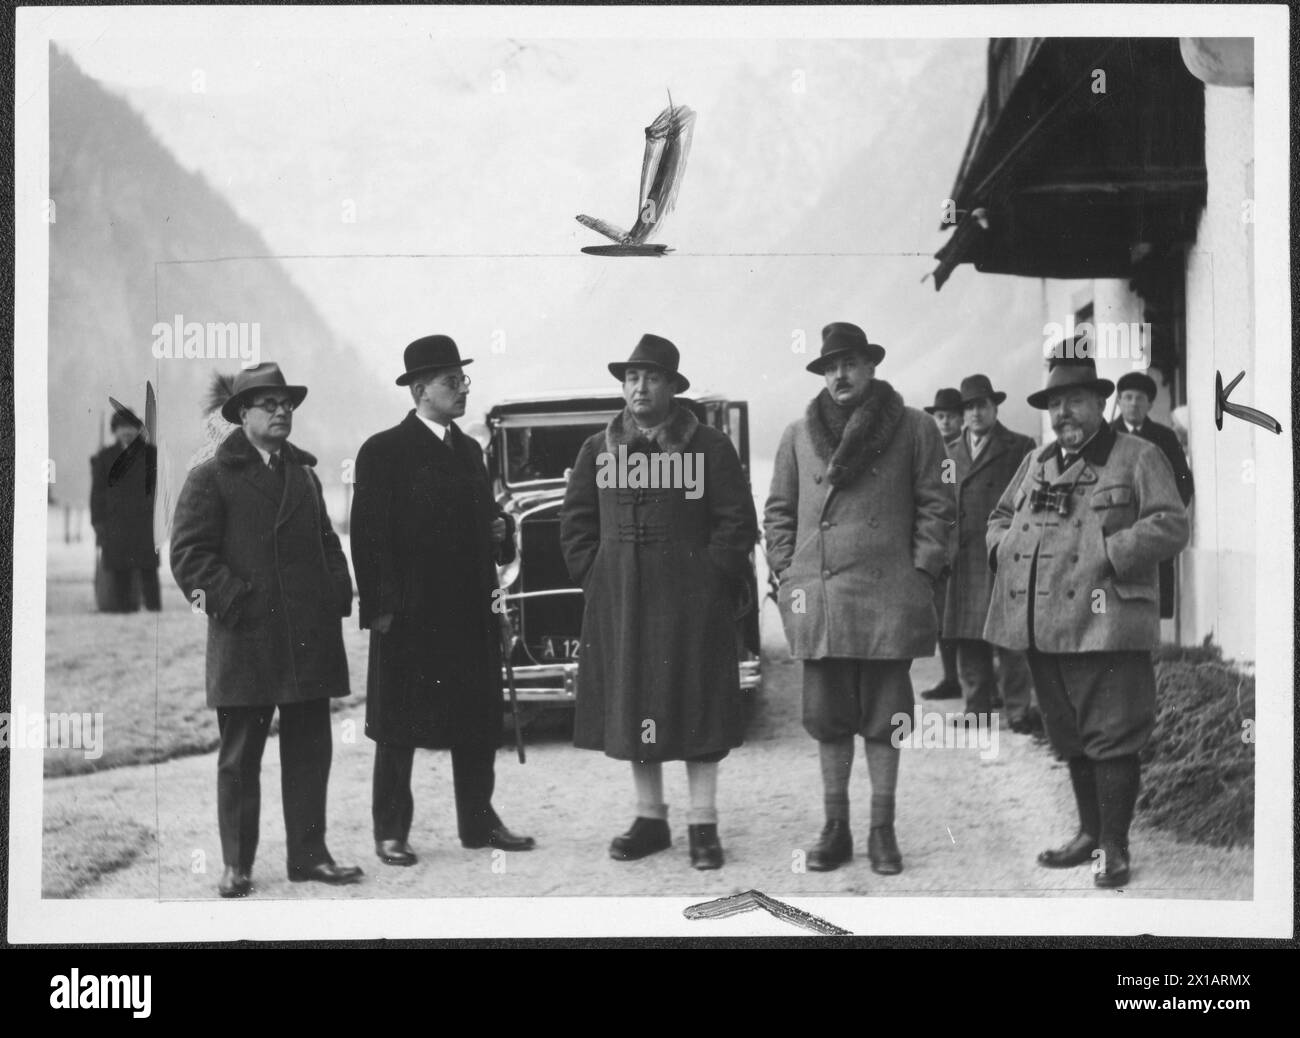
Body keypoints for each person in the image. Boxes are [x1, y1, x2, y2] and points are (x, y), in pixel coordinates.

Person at [983, 350, 1189, 888]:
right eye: (1055, 404)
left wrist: (1111, 550)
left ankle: (1114, 847)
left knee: (1113, 736)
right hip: (1042, 624)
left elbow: (1171, 524)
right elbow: (1001, 517)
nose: (1063, 413)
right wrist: (1004, 547)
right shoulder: (1036, 462)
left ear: (1101, 402)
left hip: (1107, 625)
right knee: (1070, 736)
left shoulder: (1138, 456)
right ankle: (1087, 834)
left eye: (1074, 400)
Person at [560, 334, 758, 869]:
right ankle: (651, 819)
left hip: (692, 607)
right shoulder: (598, 450)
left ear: (672, 386)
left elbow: (737, 523)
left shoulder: (709, 448)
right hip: (621, 604)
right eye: (631, 378)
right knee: (634, 706)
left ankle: (702, 824)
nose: (639, 387)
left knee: (696, 704)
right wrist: (597, 575)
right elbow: (576, 521)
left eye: (650, 377)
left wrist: (710, 577)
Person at [764, 323, 953, 874]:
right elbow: (778, 511)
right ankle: (836, 828)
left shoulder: (915, 428)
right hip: (820, 598)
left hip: (887, 599)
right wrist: (787, 572)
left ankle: (881, 830)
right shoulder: (798, 434)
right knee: (827, 719)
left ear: (871, 367)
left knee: (886, 718)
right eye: (830, 366)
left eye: (849, 363)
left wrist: (920, 573)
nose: (839, 375)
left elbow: (939, 505)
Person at [170, 362, 362, 897]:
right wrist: (235, 601)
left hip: (307, 639)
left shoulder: (302, 475)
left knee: (309, 752)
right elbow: (188, 558)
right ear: (242, 414)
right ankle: (237, 865)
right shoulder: (209, 476)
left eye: (287, 404)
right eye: (269, 404)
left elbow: (327, 542)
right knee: (239, 759)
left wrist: (334, 595)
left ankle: (309, 855)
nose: (282, 412)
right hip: (246, 641)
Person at [351, 334, 533, 868]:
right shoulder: (382, 451)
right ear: (418, 389)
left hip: (471, 608)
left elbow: (488, 539)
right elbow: (368, 538)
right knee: (397, 725)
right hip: (409, 613)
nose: (462, 389)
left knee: (478, 718)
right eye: (451, 381)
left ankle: (479, 823)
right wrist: (382, 611)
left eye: (463, 379)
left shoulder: (469, 450)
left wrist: (501, 535)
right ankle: (391, 831)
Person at [942, 374, 1039, 731]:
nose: (976, 413)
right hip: (964, 556)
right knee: (968, 635)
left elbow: (1027, 500)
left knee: (1009, 634)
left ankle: (1017, 710)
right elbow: (940, 502)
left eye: (982, 405)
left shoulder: (1019, 447)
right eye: (969, 407)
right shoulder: (949, 454)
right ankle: (976, 709)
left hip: (1002, 551)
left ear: (995, 407)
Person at [1110, 371, 1194, 619]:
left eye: (1140, 398)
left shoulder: (1164, 438)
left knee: (1157, 599)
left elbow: (1183, 480)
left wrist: (1167, 516)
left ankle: (1160, 650)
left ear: (1149, 404)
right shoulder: (1105, 436)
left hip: (1153, 530)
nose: (1134, 403)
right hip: (1117, 530)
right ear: (1119, 401)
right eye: (1128, 397)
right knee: (1113, 599)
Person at [90, 405, 161, 612]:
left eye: (131, 426)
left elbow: (160, 490)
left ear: (138, 429)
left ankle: (154, 610)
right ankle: (122, 610)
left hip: (144, 523)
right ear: (115, 430)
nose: (127, 431)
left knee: (148, 570)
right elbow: (97, 494)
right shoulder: (105, 457)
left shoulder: (151, 453)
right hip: (116, 524)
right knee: (119, 570)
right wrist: (98, 523)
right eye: (122, 427)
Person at [920, 387, 964, 700]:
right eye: (940, 416)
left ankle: (982, 684)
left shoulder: (966, 450)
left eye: (950, 416)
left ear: (961, 419)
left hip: (965, 544)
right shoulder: (928, 453)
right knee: (942, 619)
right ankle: (952, 678)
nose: (945, 421)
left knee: (970, 618)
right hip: (938, 545)